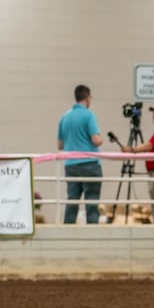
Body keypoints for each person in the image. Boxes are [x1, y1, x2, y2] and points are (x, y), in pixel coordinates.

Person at [57, 84, 104, 224]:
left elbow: (60, 145)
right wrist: (101, 140)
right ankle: (92, 232)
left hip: (70, 164)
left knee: (72, 199)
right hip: (89, 163)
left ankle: (68, 229)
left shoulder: (64, 117)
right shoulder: (89, 115)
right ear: (87, 97)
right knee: (91, 201)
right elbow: (96, 140)